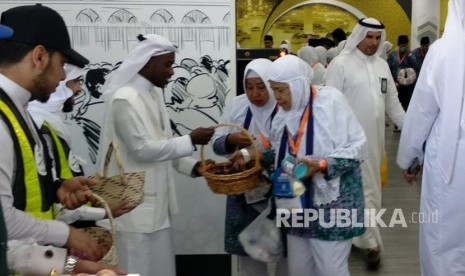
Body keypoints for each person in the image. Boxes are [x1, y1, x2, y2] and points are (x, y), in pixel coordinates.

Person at [0, 4, 121, 274]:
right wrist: (65, 234)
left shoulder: (20, 110)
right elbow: (2, 220)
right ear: (39, 57)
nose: (65, 76)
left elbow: (20, 192)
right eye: (62, 64)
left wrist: (55, 188)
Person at [97, 33, 215, 276]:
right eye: (167, 64)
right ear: (148, 62)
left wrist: (194, 167)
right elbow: (142, 149)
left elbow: (162, 143)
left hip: (158, 208)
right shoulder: (125, 99)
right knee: (135, 268)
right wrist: (191, 140)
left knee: (160, 269)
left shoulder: (153, 94)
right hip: (131, 209)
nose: (172, 71)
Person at [267, 54, 367, 276]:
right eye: (274, 90)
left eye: (281, 90)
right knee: (298, 269)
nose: (277, 97)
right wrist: (250, 156)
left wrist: (321, 165)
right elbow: (276, 151)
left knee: (331, 269)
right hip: (296, 202)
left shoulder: (331, 103)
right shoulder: (282, 115)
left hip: (333, 204)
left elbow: (358, 147)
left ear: (298, 86)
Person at [325, 18, 405, 270]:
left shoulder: (382, 65)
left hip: (375, 143)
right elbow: (329, 105)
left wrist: (414, 133)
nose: (373, 42)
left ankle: (362, 237)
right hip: (345, 142)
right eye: (368, 37)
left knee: (371, 190)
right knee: (352, 191)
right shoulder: (340, 64)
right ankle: (370, 243)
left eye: (377, 38)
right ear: (358, 36)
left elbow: (393, 103)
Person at [397, 1, 465, 275]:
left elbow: (423, 111)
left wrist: (409, 158)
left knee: (442, 238)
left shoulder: (441, 52)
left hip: (450, 158)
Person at [28, 64, 133, 228]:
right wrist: (103, 212)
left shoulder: (50, 121)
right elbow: (45, 197)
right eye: (74, 81)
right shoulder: (38, 126)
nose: (79, 89)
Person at [212, 58, 287, 276]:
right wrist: (231, 140)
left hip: (281, 191)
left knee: (288, 254)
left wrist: (250, 153)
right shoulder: (238, 105)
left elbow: (288, 149)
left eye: (261, 87)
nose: (255, 94)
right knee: (249, 257)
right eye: (249, 87)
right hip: (244, 194)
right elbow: (217, 143)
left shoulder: (284, 106)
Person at [387, 35, 417, 112]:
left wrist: (409, 55)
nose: (404, 47)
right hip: (396, 87)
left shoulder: (411, 55)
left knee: (407, 109)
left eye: (406, 45)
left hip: (408, 88)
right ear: (398, 45)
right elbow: (387, 70)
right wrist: (393, 82)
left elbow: (417, 67)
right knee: (397, 109)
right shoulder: (392, 55)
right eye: (402, 46)